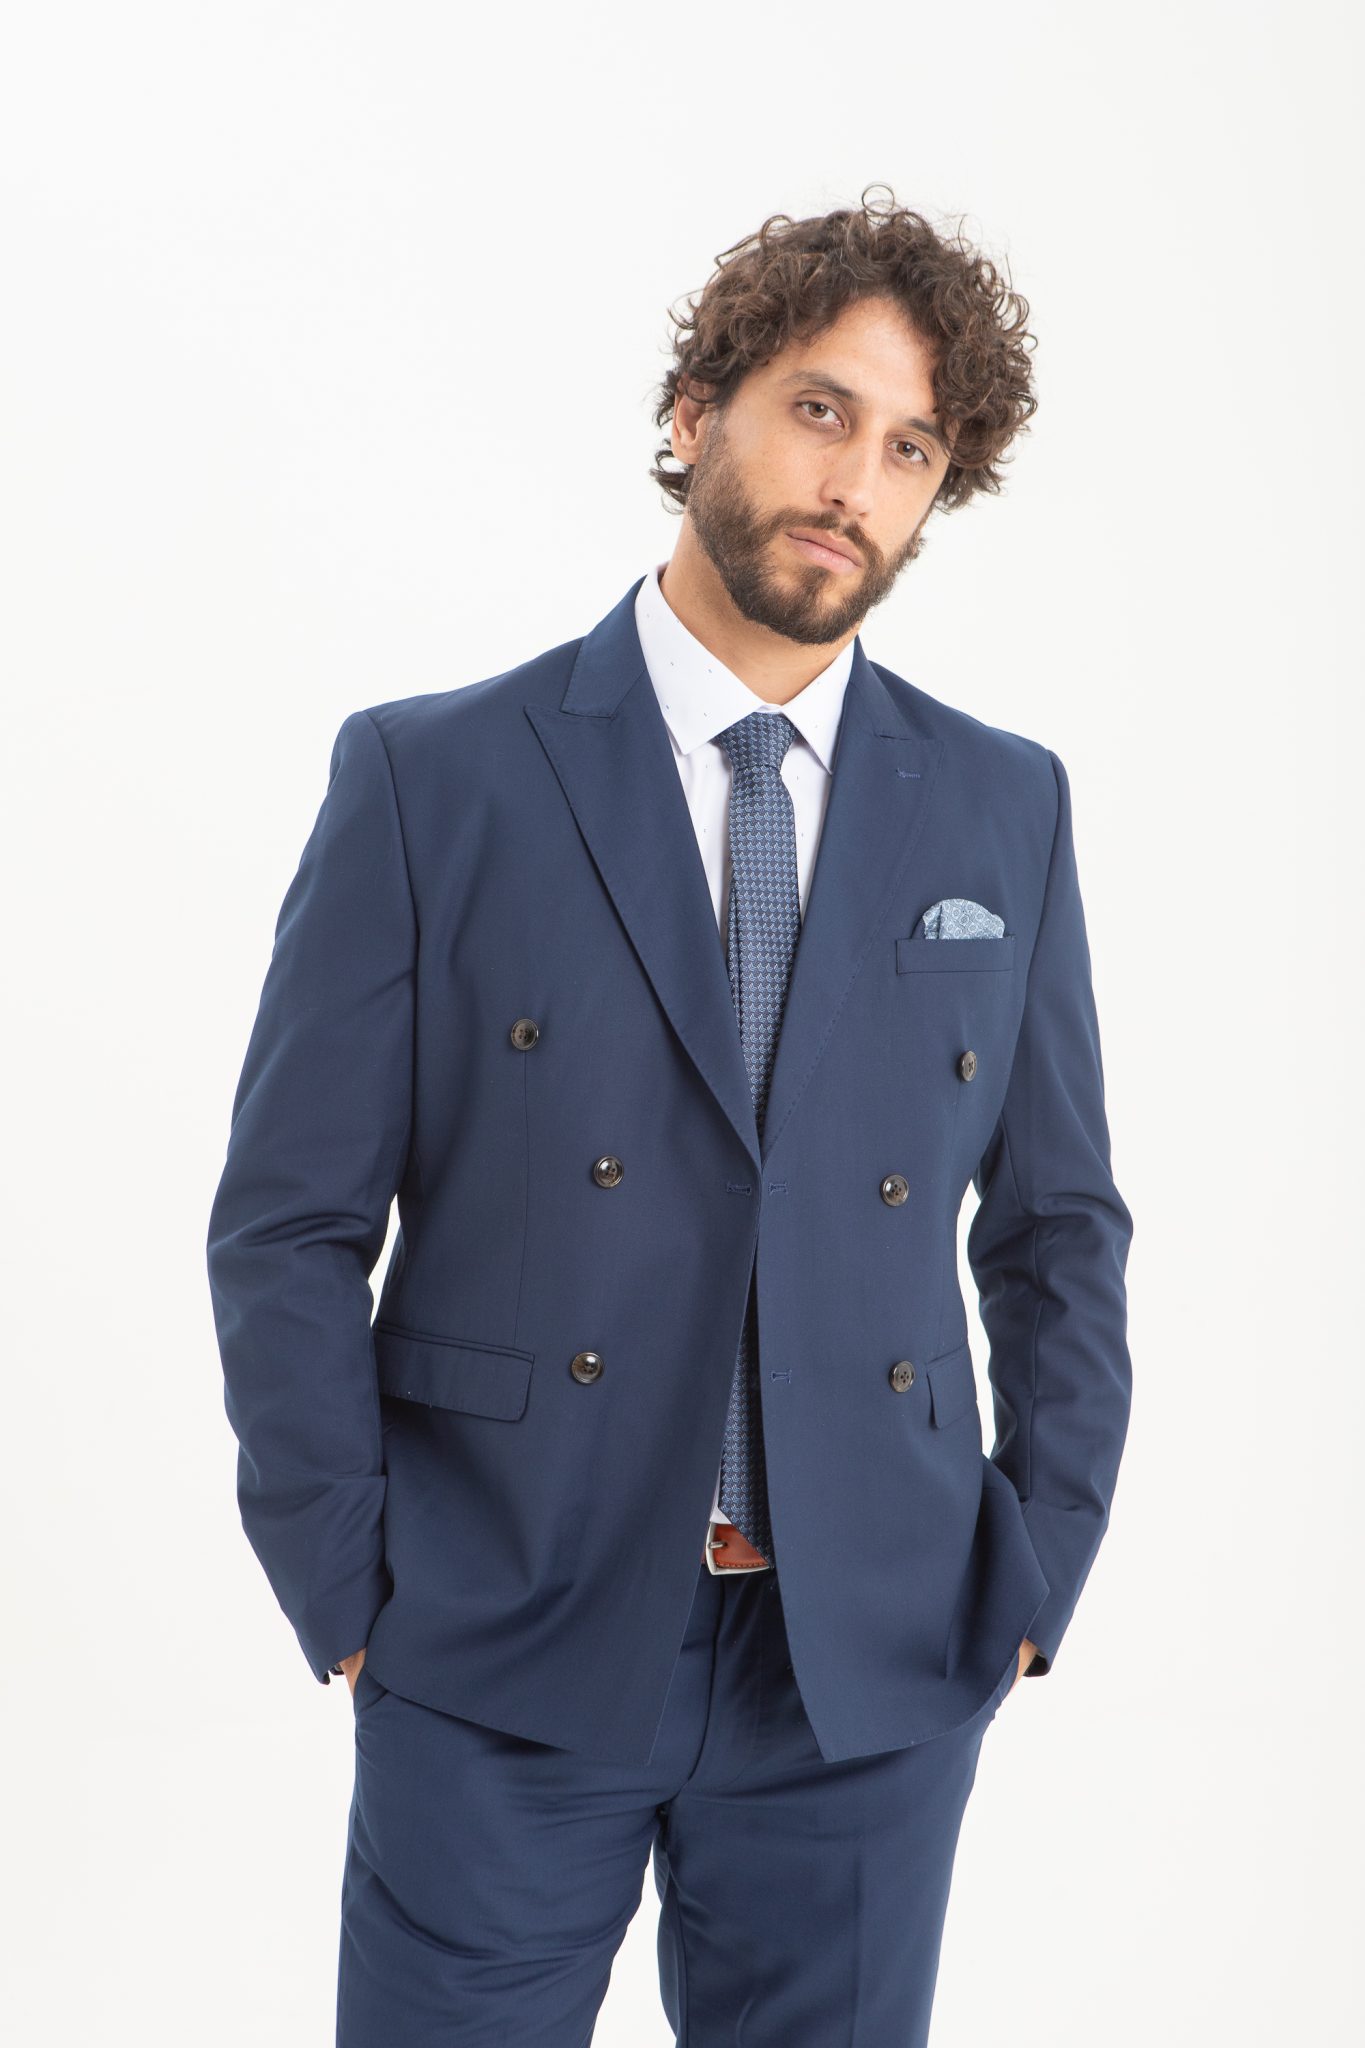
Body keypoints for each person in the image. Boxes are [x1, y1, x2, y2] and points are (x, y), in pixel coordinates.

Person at [206, 182, 1133, 2047]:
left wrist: (1032, 1563)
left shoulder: (1001, 804)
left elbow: (1056, 1230)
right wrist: (349, 1580)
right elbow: (290, 1223)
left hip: (866, 1670)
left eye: (908, 449)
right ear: (700, 407)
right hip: (502, 1637)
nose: (852, 482)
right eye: (818, 409)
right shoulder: (432, 777)